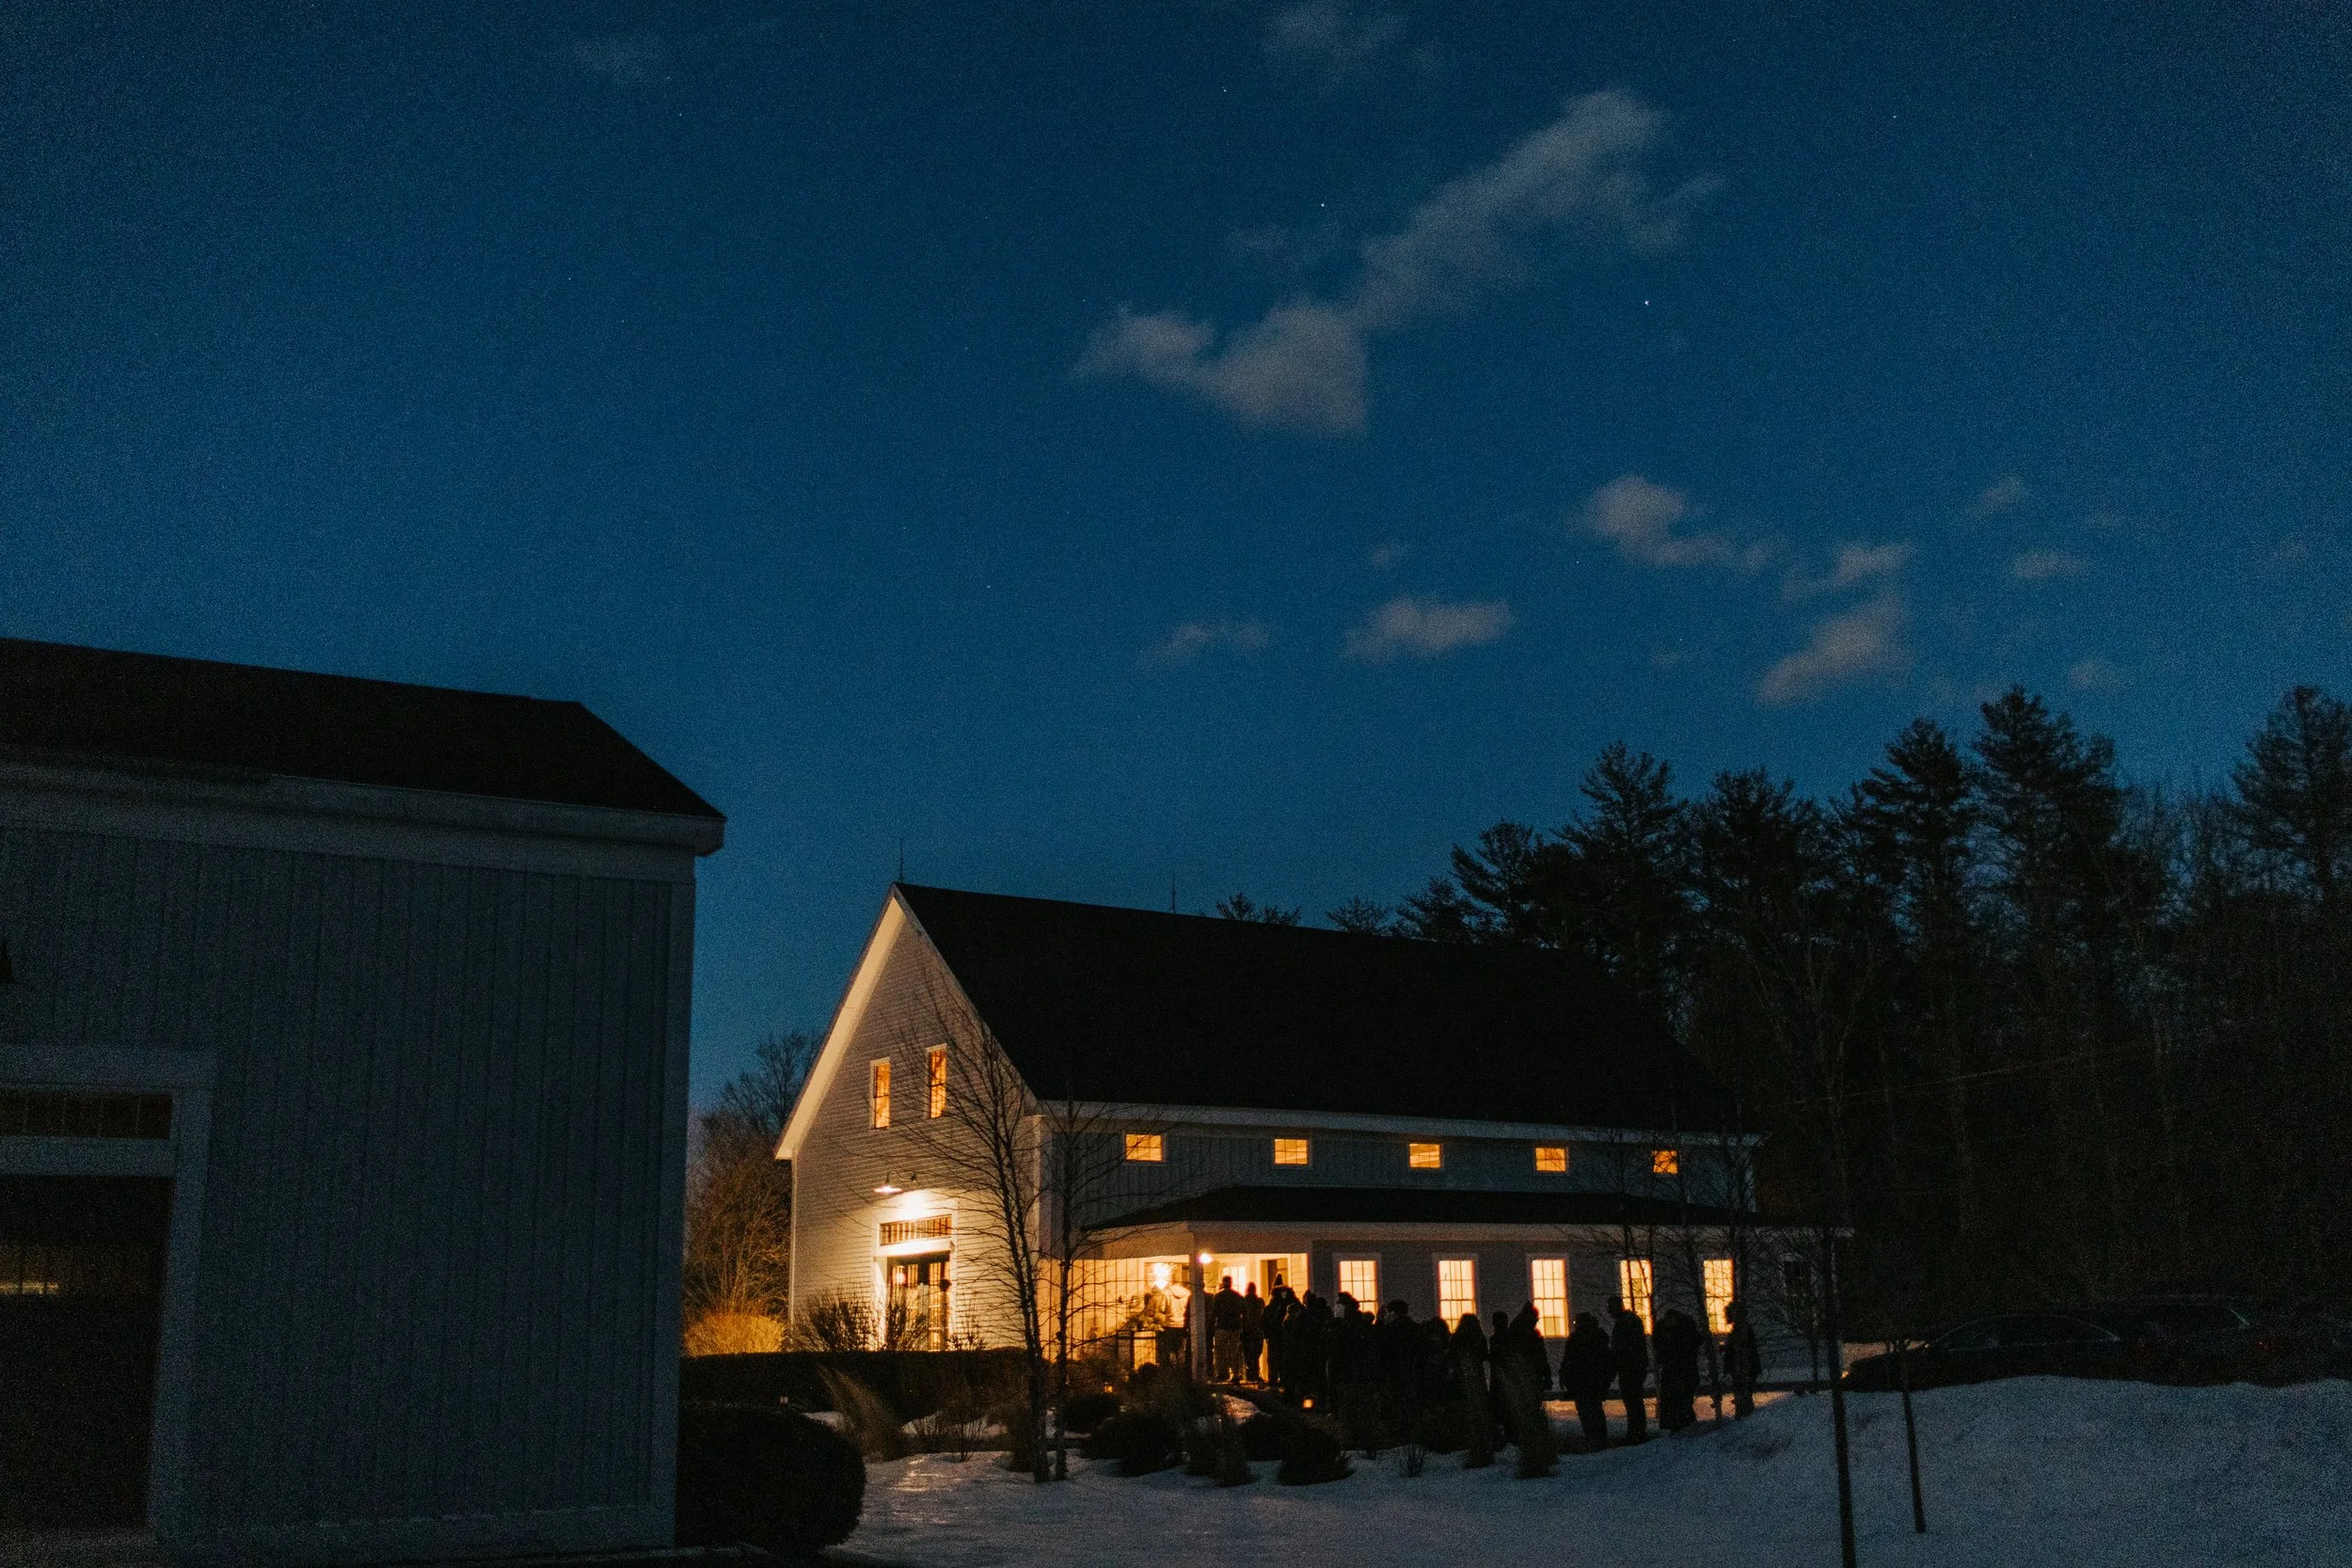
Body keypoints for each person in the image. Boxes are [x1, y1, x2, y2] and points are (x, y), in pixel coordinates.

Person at [1451, 1311, 1499, 1467]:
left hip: (1462, 1378)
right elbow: (1484, 1355)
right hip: (1477, 1377)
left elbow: (1452, 1356)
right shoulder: (1478, 1338)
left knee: (1467, 1409)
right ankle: (1483, 1444)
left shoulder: (1457, 1338)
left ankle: (1470, 1442)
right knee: (1480, 1409)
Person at [1560, 1312, 1613, 1449]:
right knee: (1594, 1411)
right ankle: (1599, 1439)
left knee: (1588, 1412)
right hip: (1591, 1382)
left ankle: (1595, 1439)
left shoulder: (1579, 1338)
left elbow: (1569, 1361)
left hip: (1584, 1382)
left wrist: (1566, 1378)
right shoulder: (1597, 1337)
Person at [1653, 1307, 1702, 1432]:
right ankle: (1683, 1429)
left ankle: (1681, 1429)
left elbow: (1673, 1355)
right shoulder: (1685, 1334)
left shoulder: (1681, 1336)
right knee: (1680, 1406)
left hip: (1680, 1376)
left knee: (1680, 1406)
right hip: (1681, 1375)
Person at [1612, 1297, 1651, 1444]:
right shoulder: (1628, 1322)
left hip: (1631, 1368)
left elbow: (1628, 1348)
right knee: (1632, 1401)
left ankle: (1637, 1432)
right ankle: (1636, 1431)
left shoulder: (1627, 1323)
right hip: (1631, 1367)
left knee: (1633, 1401)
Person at [1725, 1298, 1761, 1418]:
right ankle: (1744, 1418)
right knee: (1743, 1396)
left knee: (1744, 1396)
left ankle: (1745, 1419)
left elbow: (1741, 1350)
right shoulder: (1740, 1328)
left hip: (1744, 1369)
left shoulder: (1742, 1328)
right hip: (1743, 1368)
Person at [1211, 1276, 1245, 1383]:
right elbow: (1244, 1310)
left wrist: (1211, 1325)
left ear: (1222, 1283)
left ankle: (1221, 1373)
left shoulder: (1218, 1296)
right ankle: (1236, 1373)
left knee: (1220, 1351)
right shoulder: (1238, 1296)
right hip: (1235, 1326)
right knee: (1234, 1351)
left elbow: (1213, 1312)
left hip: (1222, 1326)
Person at [1240, 1281, 1265, 1384]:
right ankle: (1255, 1373)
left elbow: (1241, 1315)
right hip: (1257, 1330)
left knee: (1247, 1353)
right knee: (1256, 1353)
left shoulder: (1243, 1300)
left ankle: (1249, 1373)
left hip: (1246, 1331)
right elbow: (1262, 1315)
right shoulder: (1260, 1301)